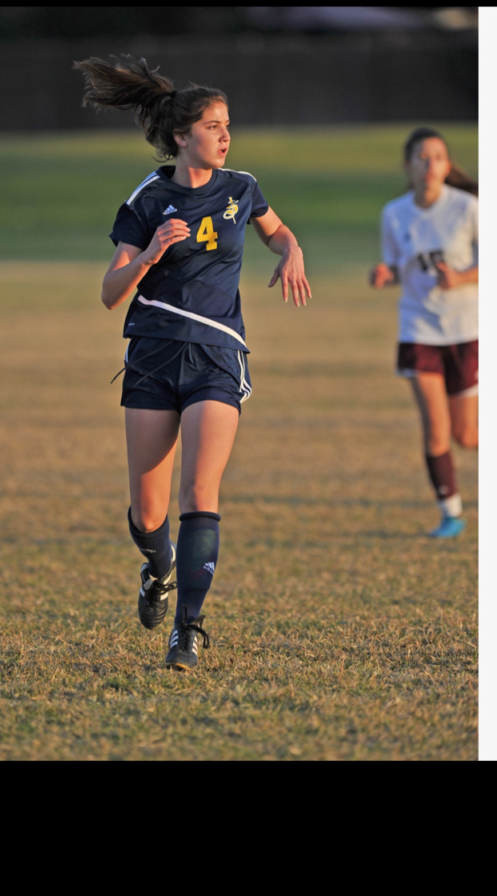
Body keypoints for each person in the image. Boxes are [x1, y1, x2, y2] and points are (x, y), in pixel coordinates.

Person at [74, 54, 311, 670]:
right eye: (212, 125)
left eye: (228, 124)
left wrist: (291, 250)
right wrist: (150, 251)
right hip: (153, 355)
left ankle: (190, 631)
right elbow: (109, 292)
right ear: (182, 136)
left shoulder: (243, 188)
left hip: (216, 354)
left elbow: (277, 232)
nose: (225, 135)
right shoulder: (149, 199)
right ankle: (160, 568)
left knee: (199, 490)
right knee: (149, 514)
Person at [369, 127, 478, 538]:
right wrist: (385, 273)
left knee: (467, 435)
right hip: (417, 327)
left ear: (448, 165)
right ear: (408, 165)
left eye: (438, 157)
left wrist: (463, 278)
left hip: (466, 328)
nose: (430, 164)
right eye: (422, 157)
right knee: (435, 427)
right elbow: (398, 266)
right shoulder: (394, 213)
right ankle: (451, 512)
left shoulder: (468, 208)